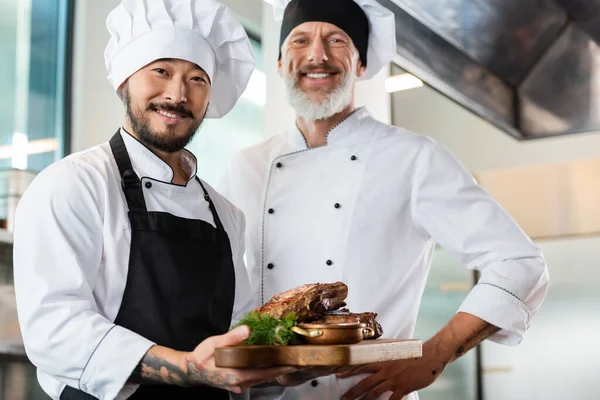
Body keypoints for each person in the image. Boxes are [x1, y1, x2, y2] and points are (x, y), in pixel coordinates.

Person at [218, 0, 550, 399]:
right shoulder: (246, 166)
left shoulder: (412, 157)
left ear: (360, 63)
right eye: (300, 39)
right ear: (279, 61)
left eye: (336, 39)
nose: (317, 55)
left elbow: (519, 263)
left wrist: (436, 353)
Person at [13, 1, 295, 399]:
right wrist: (188, 369)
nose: (178, 94)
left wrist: (277, 373)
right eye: (161, 70)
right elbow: (55, 329)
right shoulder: (73, 184)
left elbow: (237, 332)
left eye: (197, 79)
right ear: (124, 80)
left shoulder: (226, 214)